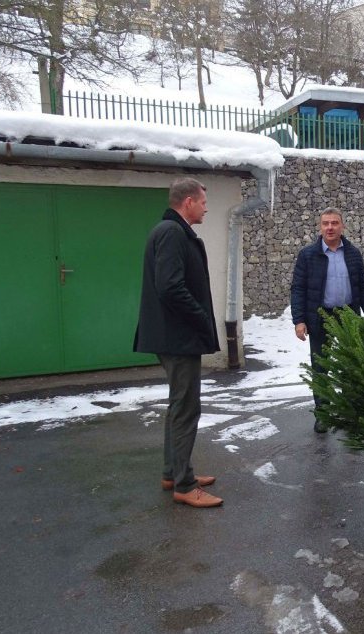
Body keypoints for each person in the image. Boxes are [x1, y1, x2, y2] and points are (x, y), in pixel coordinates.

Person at [133, 177, 222, 508]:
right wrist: (201, 317)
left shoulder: (170, 231)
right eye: (202, 202)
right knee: (186, 408)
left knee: (179, 406)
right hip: (178, 336)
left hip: (175, 335)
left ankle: (174, 472)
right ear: (187, 202)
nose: (206, 207)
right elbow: (170, 287)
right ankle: (184, 485)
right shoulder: (171, 233)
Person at [291, 207, 364, 433]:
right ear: (320, 227)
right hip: (320, 317)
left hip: (348, 316)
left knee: (352, 366)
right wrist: (299, 320)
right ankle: (323, 414)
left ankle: (350, 413)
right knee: (320, 366)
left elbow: (363, 288)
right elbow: (298, 288)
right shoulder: (308, 255)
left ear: (342, 226)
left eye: (334, 223)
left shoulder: (353, 254)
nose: (330, 227)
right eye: (326, 223)